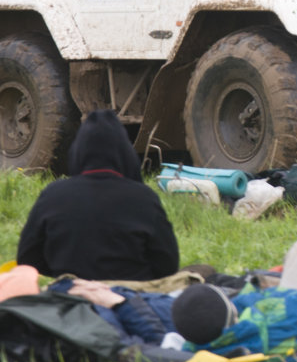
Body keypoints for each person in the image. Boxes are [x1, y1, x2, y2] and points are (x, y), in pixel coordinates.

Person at [17, 110, 180, 281]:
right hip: (130, 300)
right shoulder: (145, 199)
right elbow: (167, 265)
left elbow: (27, 258)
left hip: (71, 299)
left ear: (77, 151)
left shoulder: (52, 195)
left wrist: (65, 273)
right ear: (125, 153)